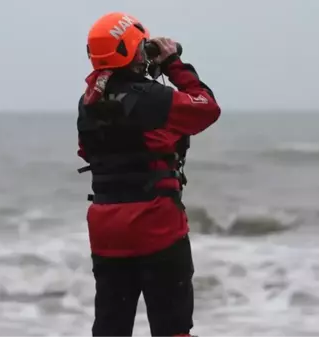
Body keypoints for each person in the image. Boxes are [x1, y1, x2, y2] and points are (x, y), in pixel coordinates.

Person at [77, 12, 221, 337]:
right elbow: (207, 107)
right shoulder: (156, 99)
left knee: (111, 326)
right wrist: (172, 64)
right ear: (132, 51)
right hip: (156, 225)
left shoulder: (87, 103)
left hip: (106, 229)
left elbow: (89, 152)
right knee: (172, 327)